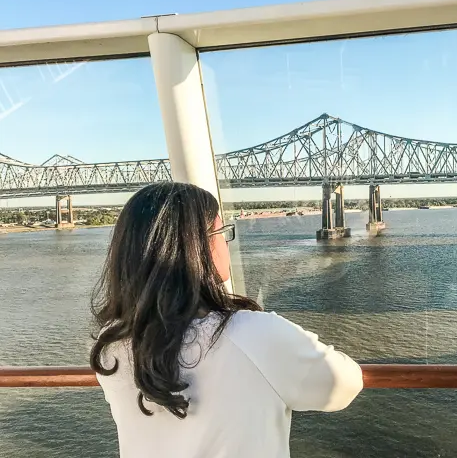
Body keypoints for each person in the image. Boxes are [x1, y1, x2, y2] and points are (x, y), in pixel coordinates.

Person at [90, 182, 363, 458]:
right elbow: (345, 385)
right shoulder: (255, 334)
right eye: (221, 232)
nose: (225, 242)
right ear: (198, 246)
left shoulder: (112, 346)